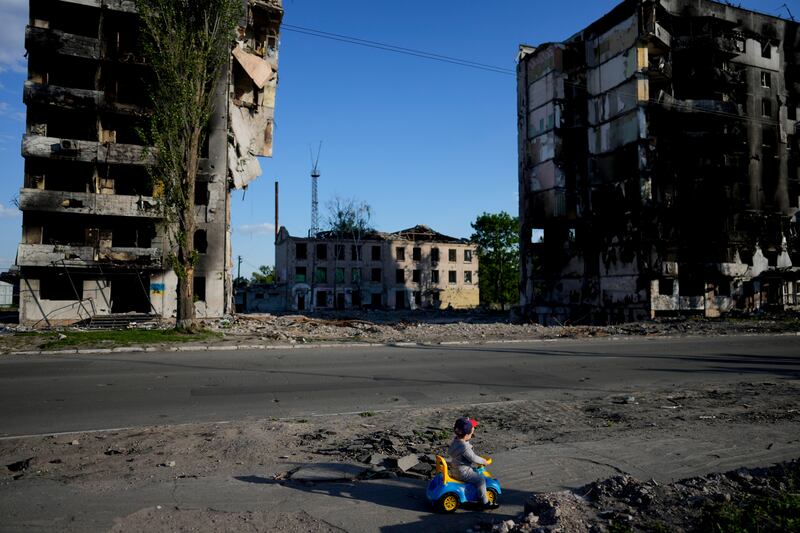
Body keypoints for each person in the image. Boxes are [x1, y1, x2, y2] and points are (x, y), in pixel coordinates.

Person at [448, 417, 499, 509]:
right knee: (481, 480)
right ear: (466, 435)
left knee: (476, 471)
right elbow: (473, 458)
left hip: (455, 469)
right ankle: (484, 502)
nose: (472, 434)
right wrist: (484, 461)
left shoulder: (456, 441)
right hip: (463, 472)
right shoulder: (465, 448)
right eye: (472, 433)